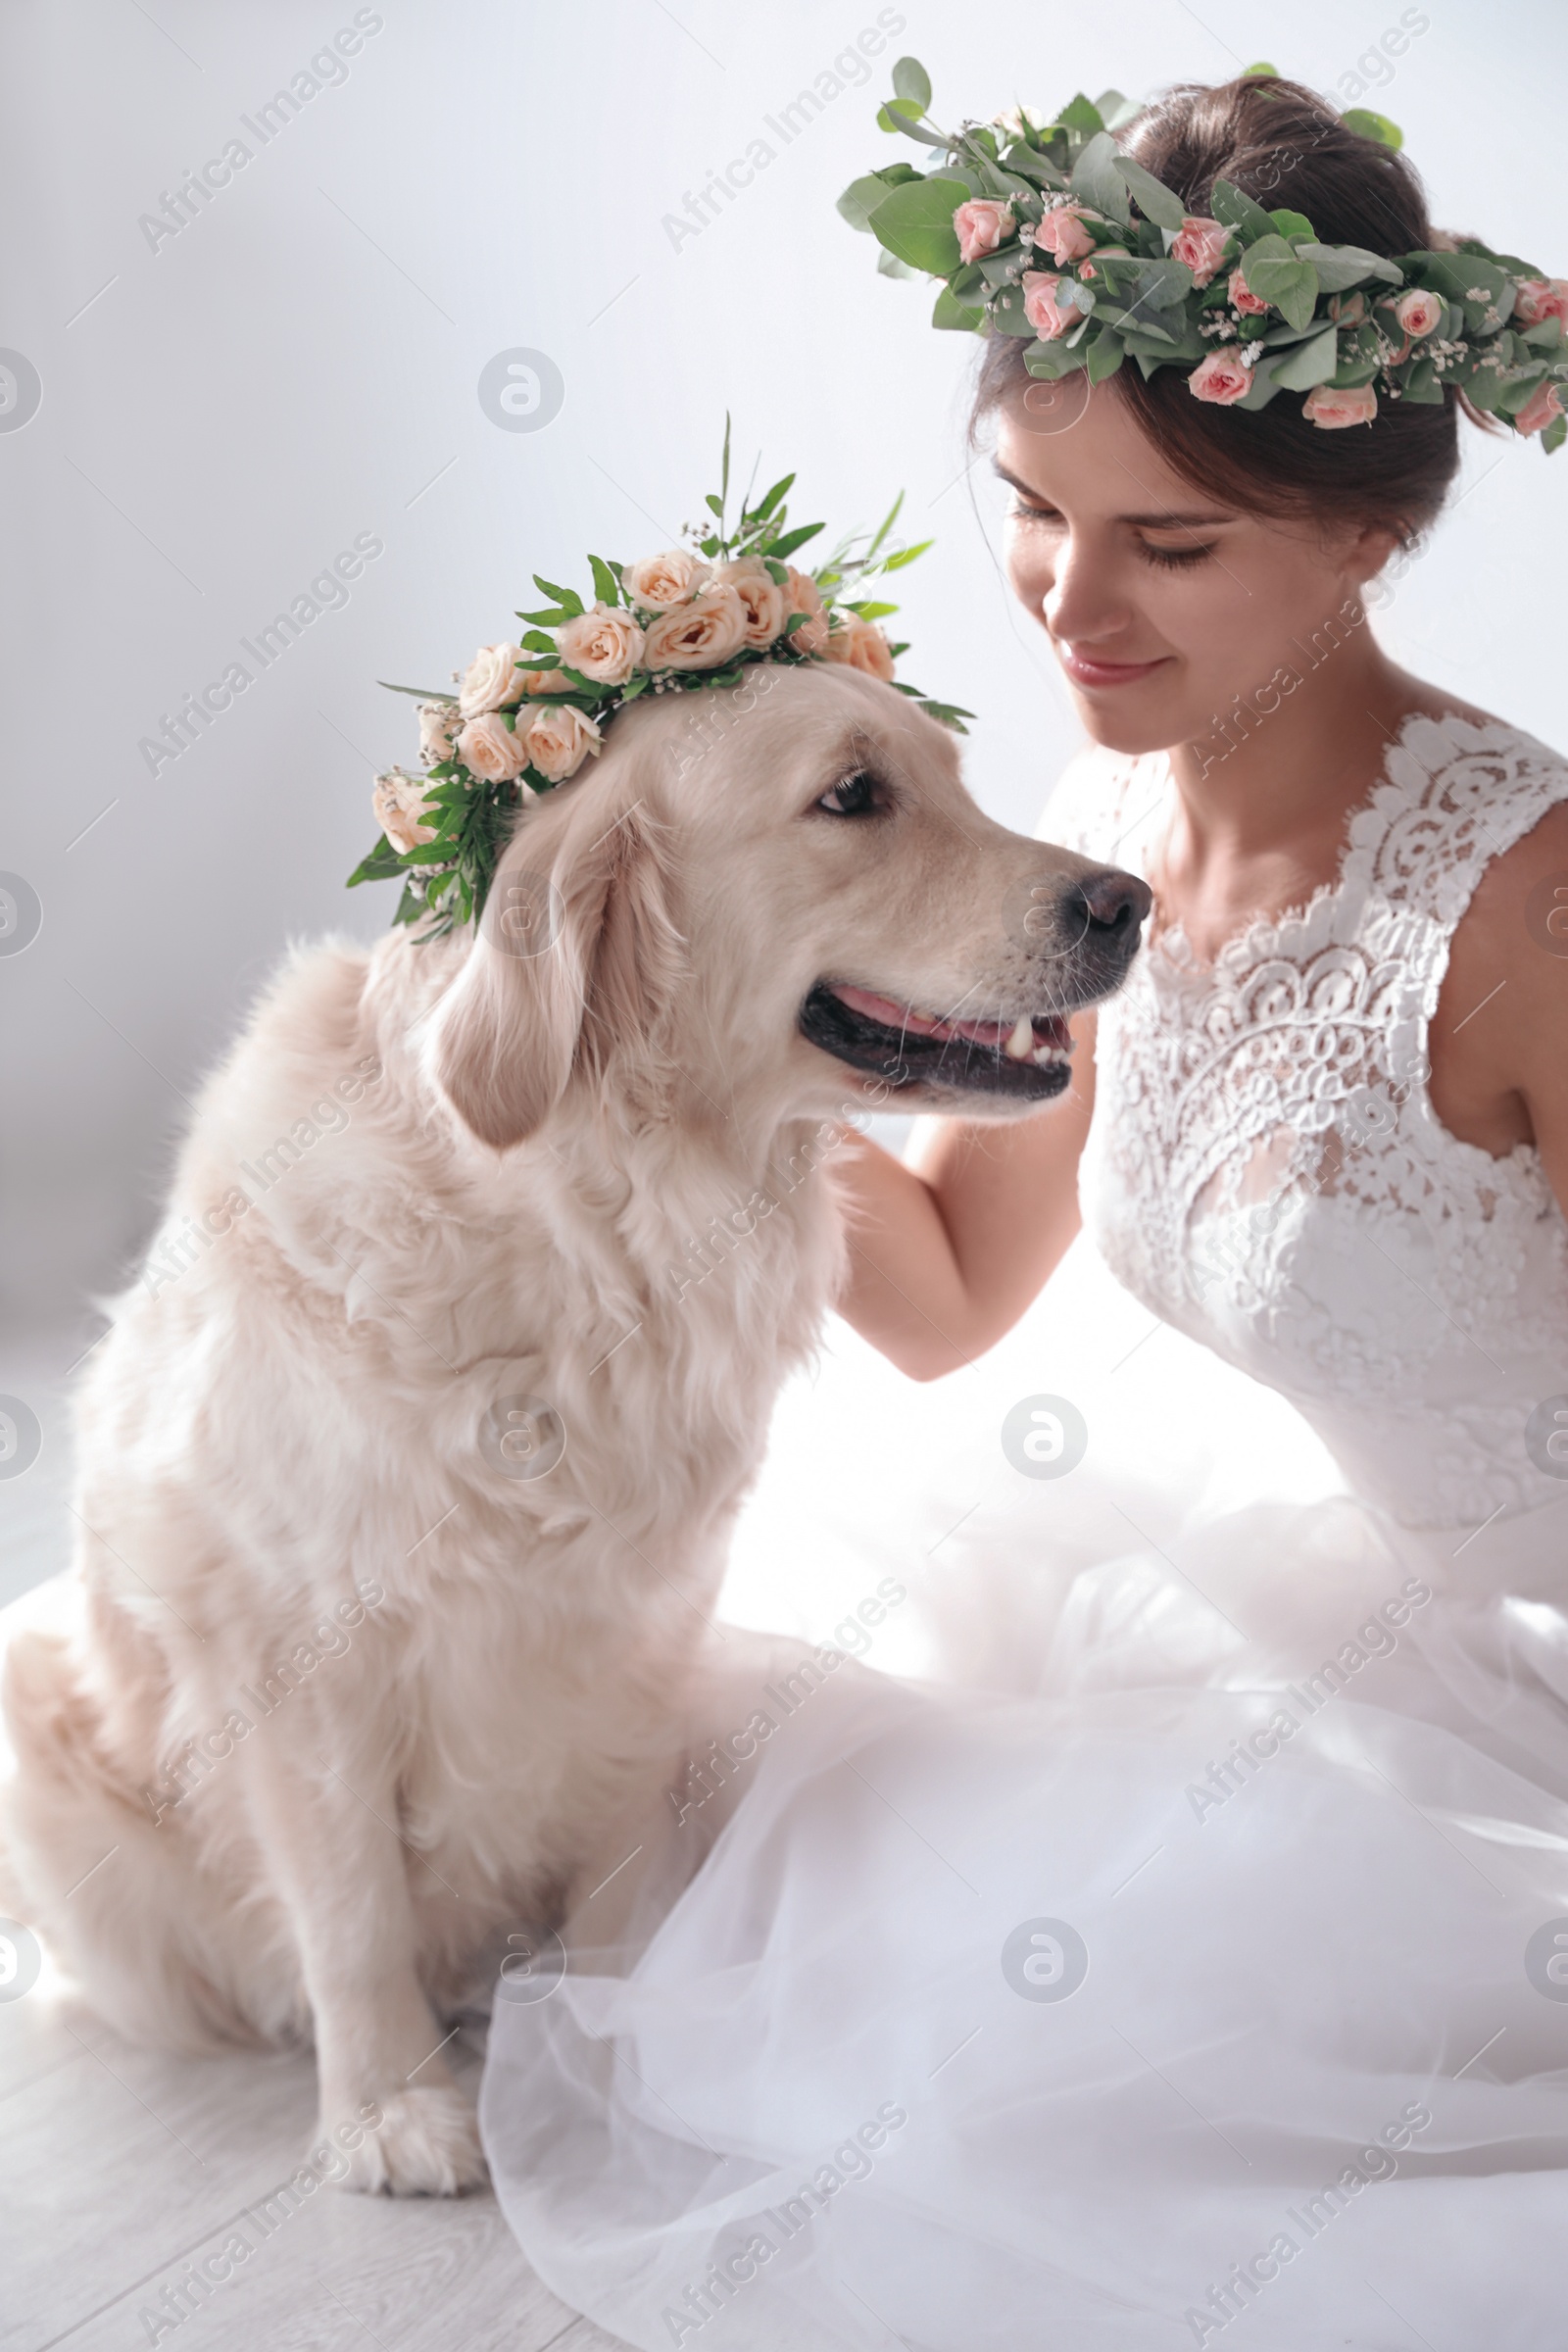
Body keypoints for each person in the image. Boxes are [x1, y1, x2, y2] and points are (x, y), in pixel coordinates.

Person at [482, 75, 1568, 2349]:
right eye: (1027, 507)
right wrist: (679, 1008)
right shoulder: (1089, 818)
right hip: (1345, 1616)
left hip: (1526, 1703)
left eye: (1166, 544)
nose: (1070, 600)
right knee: (754, 1793)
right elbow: (957, 1290)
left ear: (1361, 532)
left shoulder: (1525, 912)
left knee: (1061, 2002)